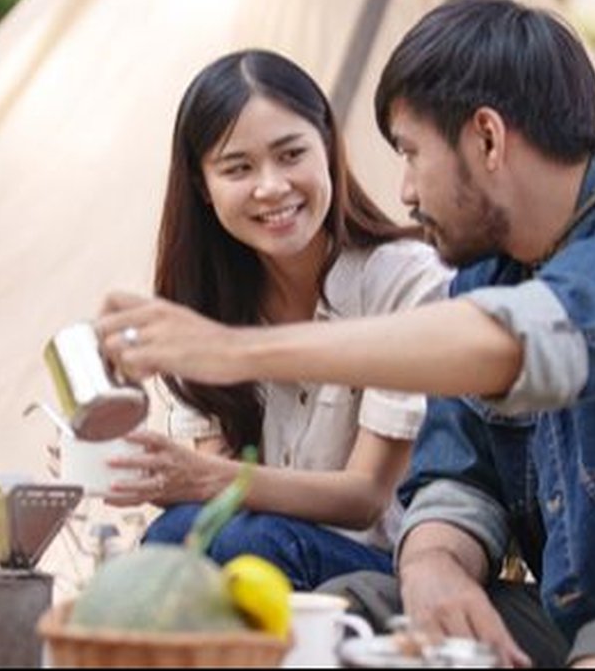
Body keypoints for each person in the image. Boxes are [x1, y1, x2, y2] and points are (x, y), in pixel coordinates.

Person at [95, 0, 595, 668]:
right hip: (584, 624)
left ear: (488, 139)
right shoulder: (488, 276)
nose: (402, 191)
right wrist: (436, 564)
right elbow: (455, 477)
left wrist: (232, 350)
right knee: (349, 610)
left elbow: (525, 341)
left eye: (410, 155)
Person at [101, 49, 453, 592]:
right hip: (263, 555)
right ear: (202, 185)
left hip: (382, 575)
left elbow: (366, 498)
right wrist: (142, 468)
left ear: (330, 149)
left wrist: (206, 479)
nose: (271, 187)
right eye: (238, 168)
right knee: (179, 536)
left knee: (246, 544)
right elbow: (212, 500)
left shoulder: (405, 281)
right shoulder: (203, 302)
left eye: (291, 155)